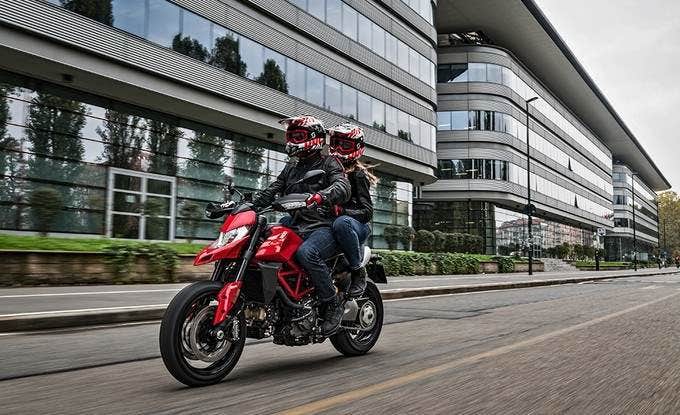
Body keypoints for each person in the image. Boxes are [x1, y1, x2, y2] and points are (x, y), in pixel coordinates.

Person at [251, 115, 350, 335]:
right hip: (296, 225)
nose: (292, 140)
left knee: (307, 253)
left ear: (314, 138)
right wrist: (249, 206)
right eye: (291, 136)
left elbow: (343, 187)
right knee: (261, 243)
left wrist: (321, 196)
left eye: (298, 136)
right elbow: (273, 189)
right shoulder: (291, 167)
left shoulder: (330, 162)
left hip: (322, 227)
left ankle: (332, 303)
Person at [324, 123, 376, 297]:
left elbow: (367, 212)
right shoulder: (327, 170)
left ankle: (357, 271)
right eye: (336, 143)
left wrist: (341, 211)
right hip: (331, 224)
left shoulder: (358, 175)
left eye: (345, 145)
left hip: (355, 226)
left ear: (357, 147)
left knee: (341, 223)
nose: (339, 149)